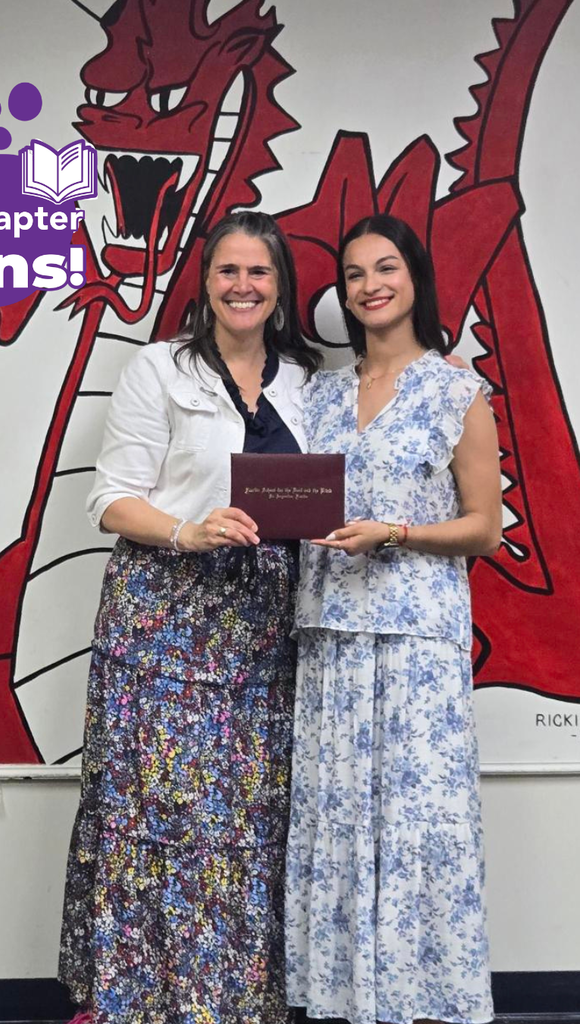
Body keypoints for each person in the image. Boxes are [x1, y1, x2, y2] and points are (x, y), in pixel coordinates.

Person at [59, 211, 322, 1024]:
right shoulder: (158, 370)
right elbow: (108, 500)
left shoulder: (308, 382)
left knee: (248, 817)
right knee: (158, 813)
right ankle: (140, 1000)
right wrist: (188, 529)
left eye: (259, 273)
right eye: (227, 271)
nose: (242, 286)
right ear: (204, 283)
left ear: (279, 290)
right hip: (164, 621)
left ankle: (236, 1001)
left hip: (263, 629)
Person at [285, 214, 501, 1024]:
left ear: (414, 279)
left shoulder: (456, 390)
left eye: (385, 268)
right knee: (334, 824)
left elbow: (486, 527)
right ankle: (340, 1002)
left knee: (418, 828)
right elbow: (289, 501)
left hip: (416, 641)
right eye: (353, 274)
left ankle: (423, 1002)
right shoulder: (318, 395)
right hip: (330, 634)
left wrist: (397, 533)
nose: (369, 284)